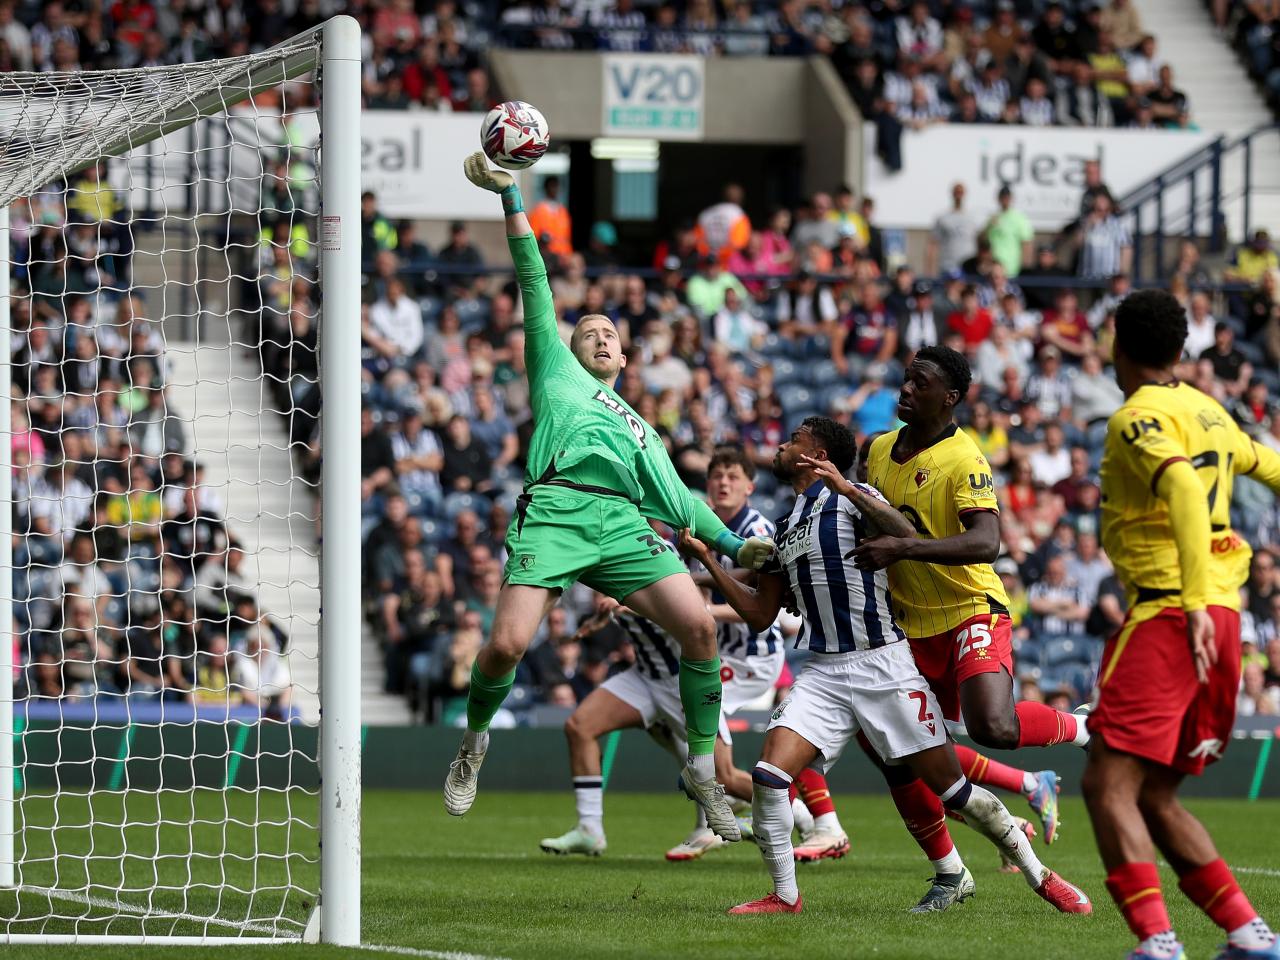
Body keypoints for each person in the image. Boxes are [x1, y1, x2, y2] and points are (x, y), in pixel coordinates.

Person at [444, 154, 774, 837]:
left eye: (609, 334)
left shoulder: (641, 428)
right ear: (568, 349)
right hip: (556, 511)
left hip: (623, 525)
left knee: (700, 629)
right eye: (588, 332)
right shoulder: (555, 372)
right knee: (506, 645)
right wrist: (511, 197)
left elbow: (680, 502)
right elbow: (534, 278)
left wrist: (735, 545)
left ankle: (703, 772)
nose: (599, 336)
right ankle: (474, 743)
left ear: (624, 358)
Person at [682, 416, 1090, 916]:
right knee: (769, 776)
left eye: (794, 440)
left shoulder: (855, 499)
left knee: (955, 792)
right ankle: (785, 896)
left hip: (884, 666)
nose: (782, 445)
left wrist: (846, 488)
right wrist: (708, 561)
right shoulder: (785, 526)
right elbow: (760, 613)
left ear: (818, 455)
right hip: (824, 673)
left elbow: (905, 535)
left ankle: (1039, 874)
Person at [1082, 288, 1280, 960]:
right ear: (1178, 348)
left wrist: (1191, 601)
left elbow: (1186, 490)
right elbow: (1269, 464)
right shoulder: (1210, 411)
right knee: (1155, 795)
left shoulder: (1136, 417)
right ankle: (1250, 935)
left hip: (1174, 612)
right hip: (1222, 617)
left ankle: (1158, 943)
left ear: (1118, 344)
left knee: (1106, 782)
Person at [538, 448, 840, 861]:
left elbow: (704, 608)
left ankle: (804, 818)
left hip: (718, 666)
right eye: (717, 475)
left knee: (718, 769)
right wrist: (605, 617)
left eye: (733, 476)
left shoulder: (687, 542)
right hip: (653, 672)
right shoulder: (624, 541)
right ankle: (593, 829)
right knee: (580, 726)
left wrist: (640, 603)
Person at [861, 346, 1090, 756]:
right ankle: (999, 803)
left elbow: (986, 542)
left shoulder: (965, 458)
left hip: (969, 607)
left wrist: (904, 547)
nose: (906, 389)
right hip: (910, 623)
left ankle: (1080, 726)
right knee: (914, 752)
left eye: (920, 383)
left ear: (949, 397)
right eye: (908, 378)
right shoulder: (879, 450)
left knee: (992, 725)